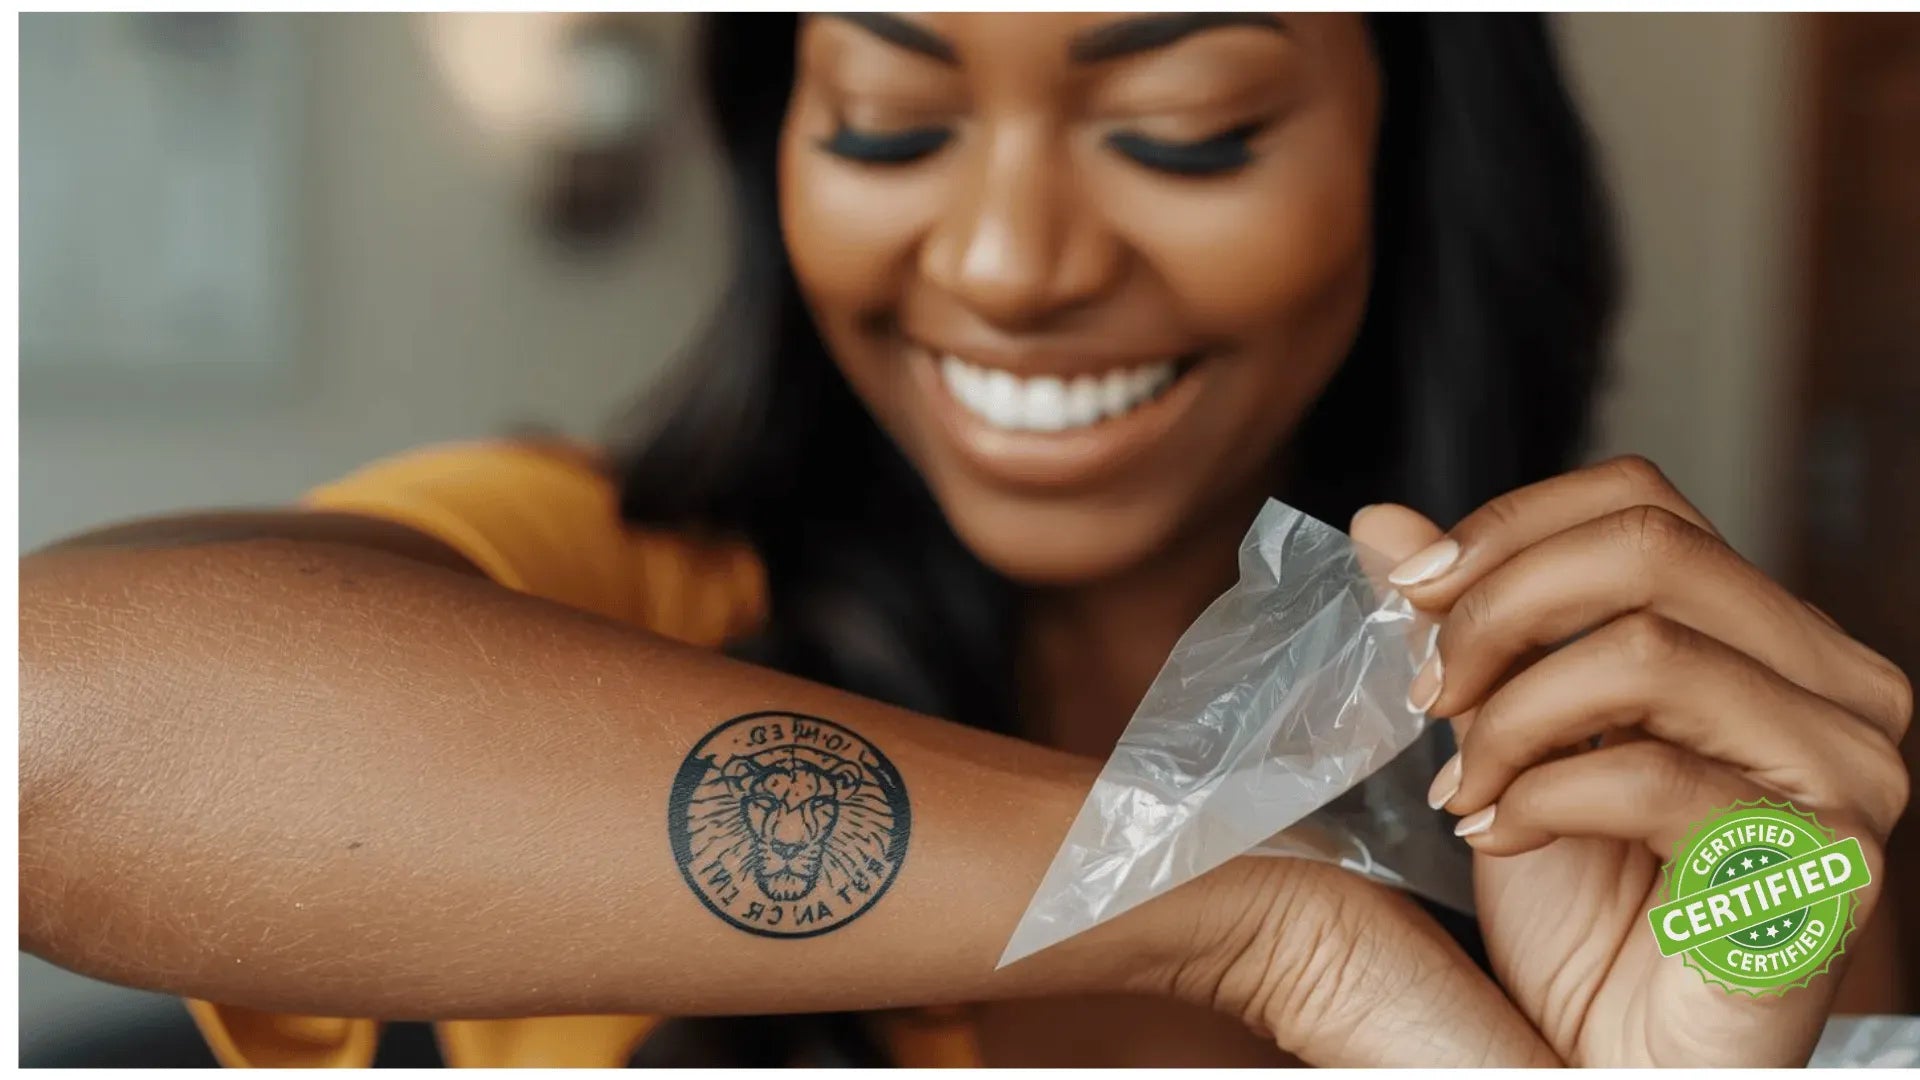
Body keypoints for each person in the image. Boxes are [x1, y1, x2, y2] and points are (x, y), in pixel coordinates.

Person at [20, 13, 1909, 1069]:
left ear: (1407, 156)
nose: (1009, 264)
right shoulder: (606, 589)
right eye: (891, 124)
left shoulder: (1671, 811)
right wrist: (1250, 929)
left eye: (1183, 132)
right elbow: (45, 727)